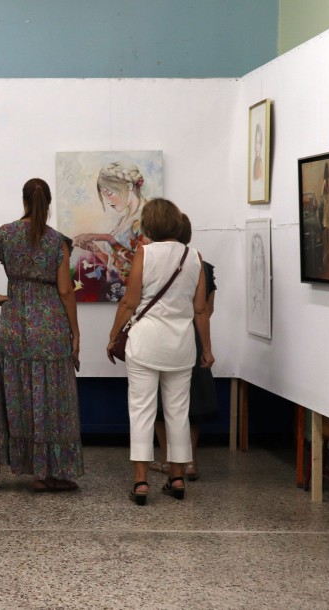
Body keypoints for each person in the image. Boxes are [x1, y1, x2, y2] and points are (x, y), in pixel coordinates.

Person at [0, 178, 83, 493]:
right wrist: (75, 332)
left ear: (24, 200)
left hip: (14, 325)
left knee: (8, 395)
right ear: (49, 202)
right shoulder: (57, 241)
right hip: (51, 327)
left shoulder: (4, 234)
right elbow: (66, 291)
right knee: (49, 399)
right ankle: (44, 474)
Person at [106, 198, 213, 505]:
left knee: (142, 410)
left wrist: (113, 336)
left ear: (149, 224)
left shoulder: (145, 253)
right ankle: (177, 478)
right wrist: (207, 349)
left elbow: (129, 302)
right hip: (181, 346)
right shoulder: (194, 256)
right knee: (178, 411)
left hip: (146, 343)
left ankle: (141, 483)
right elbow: (200, 310)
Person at [149, 214, 216, 480]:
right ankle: (190, 461)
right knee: (192, 400)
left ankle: (168, 460)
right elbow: (207, 310)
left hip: (158, 338)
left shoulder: (150, 261)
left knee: (159, 400)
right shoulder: (203, 265)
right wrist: (207, 348)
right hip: (192, 337)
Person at [72, 162, 150, 301]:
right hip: (115, 294)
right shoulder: (123, 220)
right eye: (104, 196)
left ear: (129, 186)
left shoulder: (147, 217)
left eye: (109, 193)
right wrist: (96, 251)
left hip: (134, 297)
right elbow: (117, 264)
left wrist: (107, 238)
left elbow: (142, 263)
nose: (107, 201)